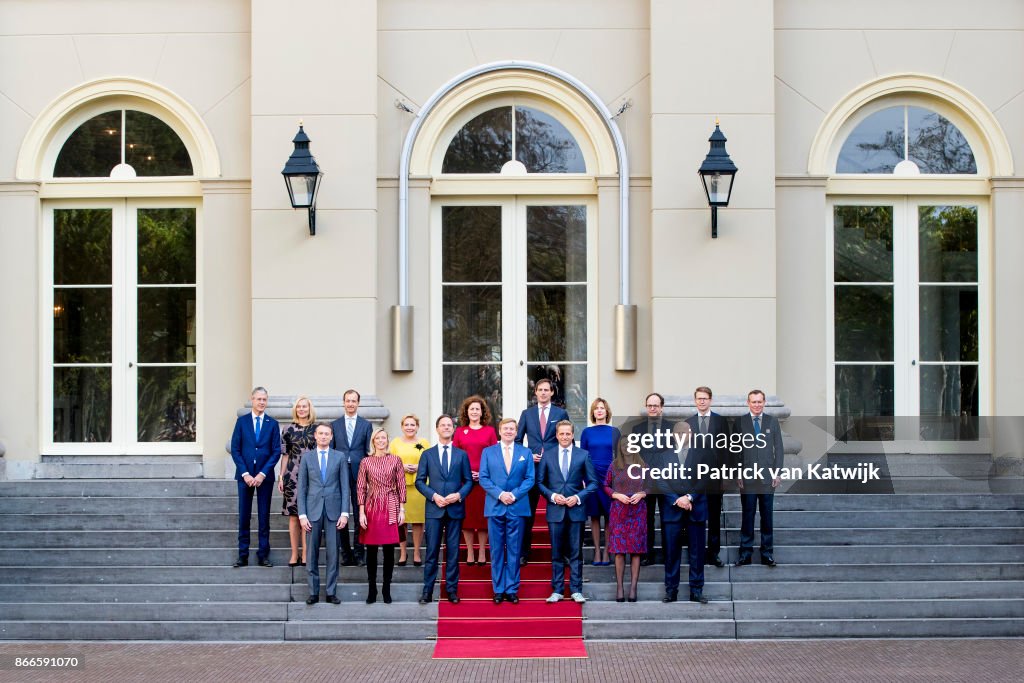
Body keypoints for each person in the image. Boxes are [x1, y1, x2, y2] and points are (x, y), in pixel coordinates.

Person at [415, 414, 473, 604]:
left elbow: (468, 481)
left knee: (454, 552)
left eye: (449, 425)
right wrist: (434, 496)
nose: (447, 427)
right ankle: (427, 591)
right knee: (431, 552)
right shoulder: (427, 454)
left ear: (453, 429)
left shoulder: (461, 454)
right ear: (437, 429)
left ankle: (452, 590)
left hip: (455, 509)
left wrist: (459, 495)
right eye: (443, 425)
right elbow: (420, 481)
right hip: (434, 509)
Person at [539, 420, 597, 604]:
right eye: (561, 434)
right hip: (555, 510)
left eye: (568, 434)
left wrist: (578, 497)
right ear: (556, 435)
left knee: (575, 552)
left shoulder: (583, 455)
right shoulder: (547, 456)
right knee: (556, 552)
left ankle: (576, 590)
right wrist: (553, 496)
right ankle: (557, 590)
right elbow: (540, 482)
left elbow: (594, 483)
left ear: (573, 435)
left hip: (576, 510)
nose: (564, 437)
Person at [479, 417, 535, 604]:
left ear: (517, 432)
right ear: (500, 431)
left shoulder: (525, 452)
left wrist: (514, 495)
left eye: (512, 428)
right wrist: (501, 494)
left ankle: (511, 588)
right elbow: (484, 478)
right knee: (496, 550)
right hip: (495, 507)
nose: (509, 431)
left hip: (517, 507)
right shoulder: (488, 452)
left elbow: (530, 479)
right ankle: (498, 589)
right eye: (506, 428)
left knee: (514, 550)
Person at [515, 379, 569, 566]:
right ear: (535, 393)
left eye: (547, 390)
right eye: (540, 390)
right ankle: (523, 552)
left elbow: (567, 439)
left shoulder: (560, 413)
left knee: (558, 514)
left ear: (552, 393)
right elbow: (518, 441)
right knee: (527, 513)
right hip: (532, 470)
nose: (544, 393)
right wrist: (529, 455)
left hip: (555, 470)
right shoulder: (527, 414)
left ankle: (562, 553)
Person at [297, 422, 351, 605]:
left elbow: (345, 486)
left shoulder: (339, 457)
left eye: (326, 434)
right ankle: (313, 592)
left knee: (333, 554)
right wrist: (302, 515)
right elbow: (302, 487)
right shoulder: (307, 457)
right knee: (311, 553)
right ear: (315, 436)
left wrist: (345, 513)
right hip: (312, 512)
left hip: (334, 512)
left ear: (331, 436)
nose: (323, 436)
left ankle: (330, 592)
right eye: (320, 433)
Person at [229, 386, 281, 568]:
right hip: (244, 477)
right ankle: (242, 554)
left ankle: (263, 555)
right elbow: (235, 449)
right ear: (252, 399)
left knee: (264, 517)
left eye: (264, 400)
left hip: (264, 477)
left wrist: (261, 473)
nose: (261, 402)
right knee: (244, 515)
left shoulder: (272, 424)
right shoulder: (241, 422)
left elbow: (276, 452)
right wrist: (245, 473)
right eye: (258, 399)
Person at [734, 389, 785, 567]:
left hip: (766, 478)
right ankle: (745, 553)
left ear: (764, 403)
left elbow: (778, 448)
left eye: (759, 402)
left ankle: (767, 553)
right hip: (747, 478)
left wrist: (778, 471)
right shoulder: (740, 422)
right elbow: (735, 450)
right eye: (753, 402)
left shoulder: (772, 421)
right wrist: (737, 472)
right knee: (747, 516)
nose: (757, 405)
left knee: (767, 516)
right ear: (748, 403)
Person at [661, 421, 709, 604]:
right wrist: (677, 499)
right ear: (673, 435)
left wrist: (689, 497)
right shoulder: (664, 456)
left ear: (691, 433)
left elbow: (705, 479)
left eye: (685, 431)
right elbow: (661, 481)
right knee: (672, 553)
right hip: (672, 510)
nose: (681, 434)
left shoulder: (701, 455)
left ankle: (696, 590)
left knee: (697, 552)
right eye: (678, 432)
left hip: (695, 509)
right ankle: (671, 590)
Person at [357, 428, 406, 604]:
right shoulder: (365, 461)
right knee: (370, 550)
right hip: (372, 506)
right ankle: (372, 589)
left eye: (383, 438)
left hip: (391, 504)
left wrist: (402, 509)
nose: (380, 441)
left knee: (388, 550)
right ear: (373, 441)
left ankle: (386, 588)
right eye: (377, 438)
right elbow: (361, 487)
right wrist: (361, 512)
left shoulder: (395, 460)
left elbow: (401, 485)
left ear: (387, 440)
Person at [685, 386, 731, 568]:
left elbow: (727, 448)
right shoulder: (688, 422)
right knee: (694, 516)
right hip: (694, 478)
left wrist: (727, 474)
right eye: (699, 398)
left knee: (714, 516)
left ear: (710, 400)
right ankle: (695, 552)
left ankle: (713, 553)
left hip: (716, 477)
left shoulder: (720, 421)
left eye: (705, 398)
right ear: (695, 400)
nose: (702, 401)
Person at [630, 392, 675, 566]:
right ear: (646, 407)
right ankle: (647, 554)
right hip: (645, 482)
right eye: (650, 405)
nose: (653, 408)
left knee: (667, 518)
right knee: (646, 519)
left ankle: (667, 554)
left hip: (666, 479)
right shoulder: (637, 429)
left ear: (662, 407)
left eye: (656, 405)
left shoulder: (672, 428)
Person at [452, 396, 497, 566]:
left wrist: (483, 473)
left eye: (477, 409)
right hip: (465, 482)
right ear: (466, 411)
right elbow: (455, 457)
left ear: (482, 411)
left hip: (485, 482)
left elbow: (494, 455)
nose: (474, 412)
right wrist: (467, 474)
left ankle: (482, 551)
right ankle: (470, 551)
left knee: (482, 518)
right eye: (471, 409)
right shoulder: (459, 431)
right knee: (468, 519)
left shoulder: (490, 431)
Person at [331, 389, 372, 566]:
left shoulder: (366, 425)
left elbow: (368, 452)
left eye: (353, 401)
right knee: (342, 512)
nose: (350, 404)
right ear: (343, 402)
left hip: (360, 472)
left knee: (359, 512)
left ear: (358, 403)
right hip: (339, 473)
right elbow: (332, 452)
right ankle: (345, 553)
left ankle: (359, 552)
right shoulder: (335, 425)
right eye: (347, 400)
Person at [604, 438, 648, 602]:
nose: (627, 448)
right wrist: (616, 495)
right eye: (623, 445)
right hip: (619, 511)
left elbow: (652, 484)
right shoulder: (614, 465)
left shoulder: (643, 465)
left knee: (636, 551)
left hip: (637, 512)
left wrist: (643, 493)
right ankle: (620, 588)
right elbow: (606, 485)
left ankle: (633, 588)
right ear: (620, 448)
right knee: (619, 551)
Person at [278, 396, 317, 567]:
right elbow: (285, 455)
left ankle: (306, 554)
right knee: (294, 516)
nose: (302, 409)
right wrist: (281, 476)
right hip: (292, 476)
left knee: (307, 515)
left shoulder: (317, 429)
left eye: (305, 406)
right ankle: (295, 554)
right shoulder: (288, 429)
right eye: (299, 406)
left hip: (313, 477)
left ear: (310, 409)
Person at [579, 398, 619, 566]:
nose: (599, 411)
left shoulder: (615, 431)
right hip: (592, 476)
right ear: (593, 412)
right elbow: (582, 456)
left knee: (610, 516)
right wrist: (582, 478)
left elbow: (620, 456)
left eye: (602, 408)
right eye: (596, 409)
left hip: (611, 477)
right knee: (594, 516)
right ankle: (596, 551)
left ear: (607, 411)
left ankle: (607, 551)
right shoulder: (586, 432)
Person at [390, 414, 429, 567]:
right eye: (407, 425)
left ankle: (417, 552)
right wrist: (401, 467)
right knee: (402, 521)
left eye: (413, 425)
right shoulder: (395, 443)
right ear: (402, 427)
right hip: (400, 485)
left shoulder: (424, 442)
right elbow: (390, 461)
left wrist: (419, 467)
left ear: (417, 427)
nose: (410, 427)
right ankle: (403, 552)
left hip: (419, 486)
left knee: (419, 521)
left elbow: (429, 461)